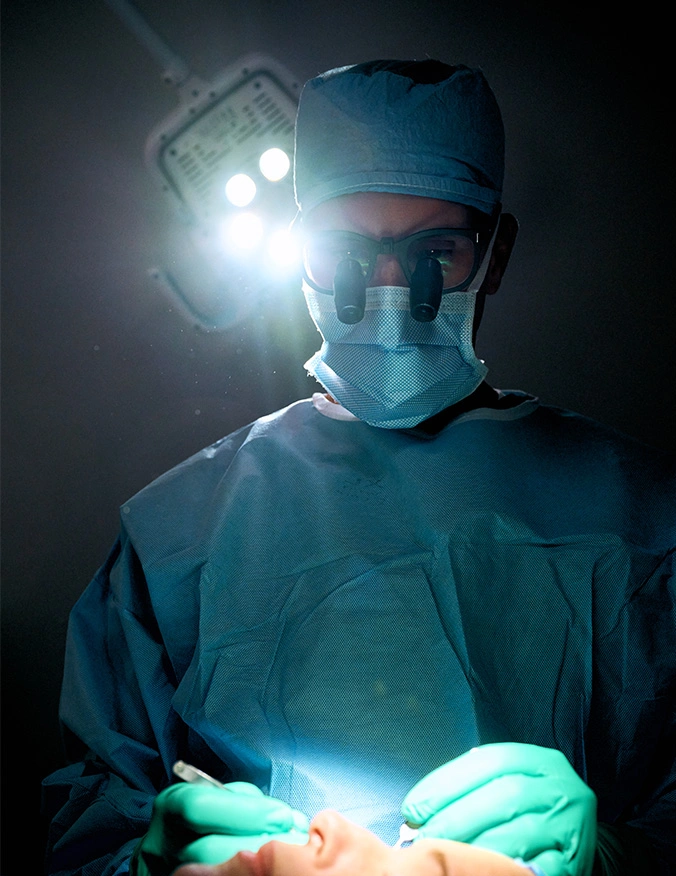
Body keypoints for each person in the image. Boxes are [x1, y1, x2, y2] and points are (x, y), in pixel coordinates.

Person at [42, 59, 675, 876]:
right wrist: (150, 866)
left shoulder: (645, 519)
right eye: (344, 252)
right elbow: (91, 828)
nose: (385, 290)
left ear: (497, 253)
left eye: (433, 253)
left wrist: (617, 859)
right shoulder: (174, 536)